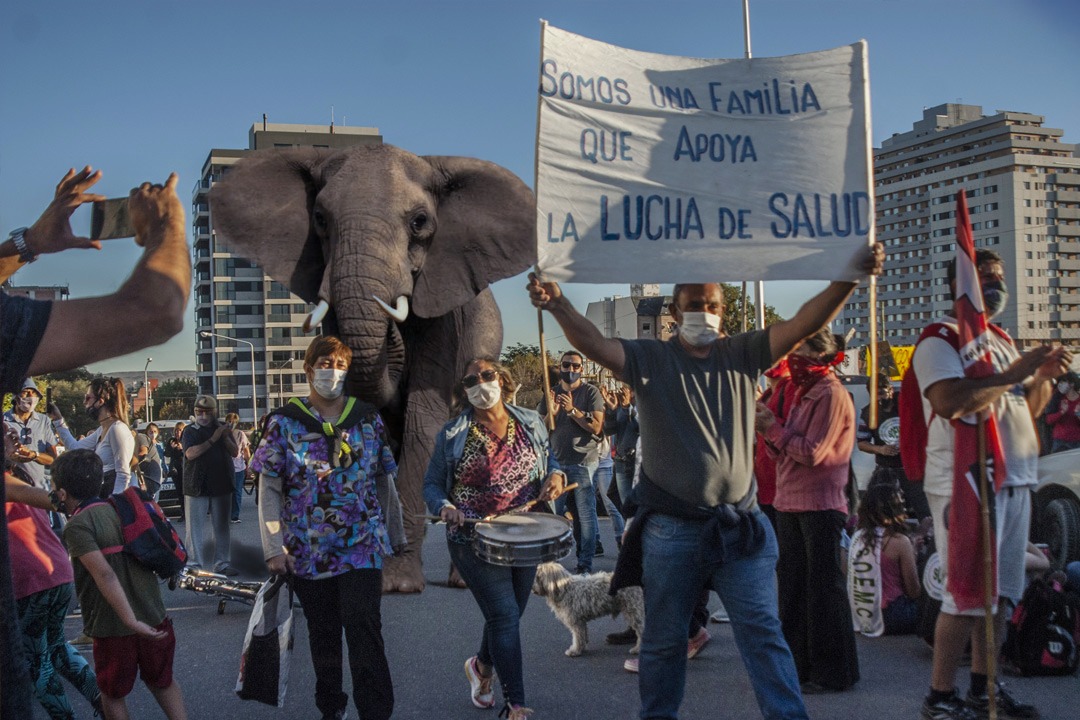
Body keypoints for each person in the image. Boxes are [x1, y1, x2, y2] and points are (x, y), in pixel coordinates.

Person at [526, 239, 882, 720]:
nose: (706, 313)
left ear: (724, 312)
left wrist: (847, 279)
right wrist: (559, 303)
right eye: (695, 305)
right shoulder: (649, 359)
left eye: (713, 305)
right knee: (663, 641)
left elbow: (804, 323)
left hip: (742, 529)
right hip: (671, 533)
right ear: (675, 312)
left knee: (763, 636)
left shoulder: (743, 351)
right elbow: (592, 342)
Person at [0, 167, 189, 719]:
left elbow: (120, 474)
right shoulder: (97, 436)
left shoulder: (120, 435)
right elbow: (156, 310)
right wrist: (167, 227)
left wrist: (28, 244)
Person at [913, 248, 1070, 720]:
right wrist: (1014, 373)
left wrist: (1039, 377)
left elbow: (1027, 406)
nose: (996, 286)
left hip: (1015, 477)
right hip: (967, 482)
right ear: (960, 287)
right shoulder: (940, 339)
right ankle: (940, 696)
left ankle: (985, 689)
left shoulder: (999, 339)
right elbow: (950, 401)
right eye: (984, 278)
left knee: (1000, 594)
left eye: (1000, 277)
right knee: (965, 594)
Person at [253, 335, 404, 720]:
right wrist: (273, 546)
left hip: (362, 544)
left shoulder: (367, 418)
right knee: (323, 634)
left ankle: (376, 711)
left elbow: (384, 480)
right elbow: (269, 487)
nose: (331, 372)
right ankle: (331, 706)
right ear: (308, 370)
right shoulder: (284, 423)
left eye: (339, 365)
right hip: (308, 549)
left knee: (364, 625)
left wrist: (397, 537)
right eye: (324, 364)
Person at [423, 357, 566, 720]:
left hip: (524, 534)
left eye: (487, 375)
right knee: (504, 614)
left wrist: (556, 477)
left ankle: (481, 666)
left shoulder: (529, 421)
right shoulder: (454, 433)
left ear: (501, 380)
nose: (481, 383)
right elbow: (432, 485)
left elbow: (551, 463)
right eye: (472, 379)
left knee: (510, 614)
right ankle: (515, 704)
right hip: (472, 537)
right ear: (465, 390)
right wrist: (444, 506)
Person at [757, 328, 860, 693]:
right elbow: (782, 448)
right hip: (790, 500)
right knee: (794, 589)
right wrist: (767, 430)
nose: (793, 358)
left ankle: (832, 670)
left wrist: (773, 429)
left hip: (820, 503)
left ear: (819, 357)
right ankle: (797, 666)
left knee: (823, 591)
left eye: (799, 350)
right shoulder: (803, 392)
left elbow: (814, 452)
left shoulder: (830, 393)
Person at [51, 449, 188, 720]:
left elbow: (104, 574)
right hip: (153, 615)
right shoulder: (119, 508)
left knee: (112, 694)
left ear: (62, 494)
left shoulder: (77, 525)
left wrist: (129, 621)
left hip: (113, 625)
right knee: (162, 681)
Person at [4, 454, 102, 719]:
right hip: (57, 571)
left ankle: (66, 716)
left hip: (30, 579)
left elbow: (56, 501)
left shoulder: (11, 484)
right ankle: (103, 702)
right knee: (57, 645)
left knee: (37, 660)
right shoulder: (22, 474)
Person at [539, 352, 604, 574]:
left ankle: (584, 564)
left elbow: (595, 426)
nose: (571, 369)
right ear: (560, 367)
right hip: (556, 463)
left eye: (575, 365)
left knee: (585, 517)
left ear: (582, 369)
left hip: (584, 462)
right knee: (552, 516)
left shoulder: (590, 392)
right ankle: (549, 565)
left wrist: (572, 411)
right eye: (566, 365)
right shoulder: (552, 393)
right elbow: (541, 428)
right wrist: (552, 413)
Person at [849, 482, 921, 636]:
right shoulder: (900, 541)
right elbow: (914, 591)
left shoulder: (857, 537)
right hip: (893, 614)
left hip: (860, 614)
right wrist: (914, 553)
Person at [857, 371, 930, 520]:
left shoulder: (904, 405)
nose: (879, 398)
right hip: (885, 469)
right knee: (881, 511)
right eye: (874, 395)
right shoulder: (868, 413)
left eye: (881, 393)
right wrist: (880, 449)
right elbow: (862, 443)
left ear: (890, 389)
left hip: (909, 468)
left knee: (923, 510)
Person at [181, 395, 238, 576]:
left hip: (221, 484)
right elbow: (190, 454)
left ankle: (222, 563)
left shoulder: (222, 428)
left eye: (207, 412)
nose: (203, 416)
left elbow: (235, 452)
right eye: (199, 412)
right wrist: (213, 438)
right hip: (196, 485)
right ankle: (194, 563)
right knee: (194, 528)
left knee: (222, 527)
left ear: (214, 413)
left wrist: (225, 436)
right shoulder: (190, 431)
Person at [51, 377, 135, 498]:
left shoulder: (117, 429)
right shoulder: (102, 429)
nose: (85, 402)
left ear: (101, 401)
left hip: (113, 497)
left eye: (88, 398)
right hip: (104, 494)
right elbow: (75, 448)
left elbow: (123, 474)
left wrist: (114, 504)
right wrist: (58, 419)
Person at [3, 378, 59, 492]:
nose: (30, 396)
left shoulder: (43, 421)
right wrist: (9, 456)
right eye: (25, 392)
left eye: (34, 393)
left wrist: (34, 455)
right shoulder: (3, 420)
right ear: (16, 397)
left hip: (39, 489)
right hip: (12, 490)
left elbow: (53, 458)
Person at [1041, 373, 1080, 453]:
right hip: (1059, 441)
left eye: (1063, 381)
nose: (1060, 384)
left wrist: (1078, 414)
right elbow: (1048, 420)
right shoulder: (1057, 399)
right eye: (1060, 382)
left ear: (1072, 384)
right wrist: (1061, 412)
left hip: (1076, 441)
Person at [223, 413, 251, 523]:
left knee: (237, 492)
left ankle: (234, 515)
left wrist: (248, 465)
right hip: (225, 468)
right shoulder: (222, 434)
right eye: (229, 421)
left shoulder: (240, 434)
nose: (231, 423)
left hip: (239, 467)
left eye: (233, 421)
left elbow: (246, 450)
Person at [135, 422, 164, 500]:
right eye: (151, 432)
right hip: (148, 477)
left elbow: (143, 453)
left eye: (155, 432)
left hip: (150, 478)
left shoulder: (140, 437)